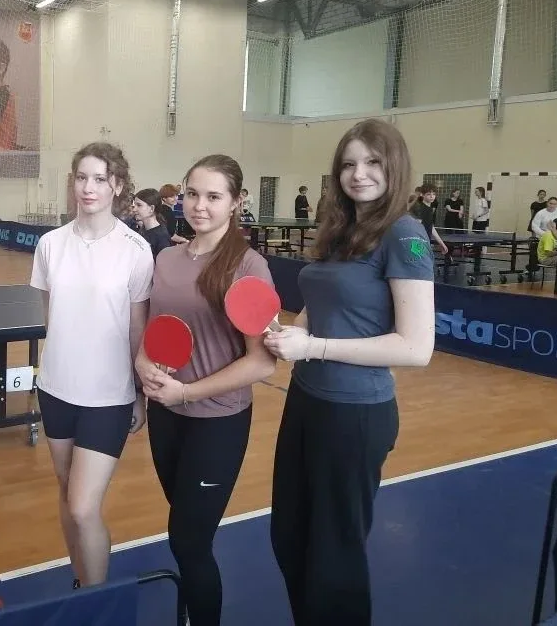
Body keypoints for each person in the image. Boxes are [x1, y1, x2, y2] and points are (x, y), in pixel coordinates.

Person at [263, 118, 436, 626]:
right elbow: (320, 305)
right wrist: (290, 332)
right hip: (306, 401)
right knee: (289, 535)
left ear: (394, 167)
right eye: (348, 164)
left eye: (372, 162)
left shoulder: (405, 234)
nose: (358, 174)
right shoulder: (342, 231)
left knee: (333, 553)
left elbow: (416, 347)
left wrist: (313, 346)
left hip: (355, 414)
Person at [134, 155, 277, 626]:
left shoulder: (249, 266)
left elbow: (262, 361)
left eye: (214, 196)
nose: (200, 206)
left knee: (189, 542)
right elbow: (152, 330)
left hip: (217, 421)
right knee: (185, 529)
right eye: (193, 194)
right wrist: (143, 366)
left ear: (236, 202)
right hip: (166, 415)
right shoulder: (166, 258)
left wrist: (187, 392)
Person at [30, 141, 152, 590]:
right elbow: (51, 316)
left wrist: (139, 393)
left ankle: (98, 601)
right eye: (82, 177)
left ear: (117, 185)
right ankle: (80, 583)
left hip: (108, 396)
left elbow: (137, 328)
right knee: (67, 494)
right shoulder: (50, 244)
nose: (89, 187)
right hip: (56, 389)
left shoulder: (136, 250)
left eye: (100, 178)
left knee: (83, 507)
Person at [132, 188, 173, 259]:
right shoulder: (144, 229)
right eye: (134, 205)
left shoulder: (161, 237)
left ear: (151, 208)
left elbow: (164, 262)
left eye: (139, 205)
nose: (134, 209)